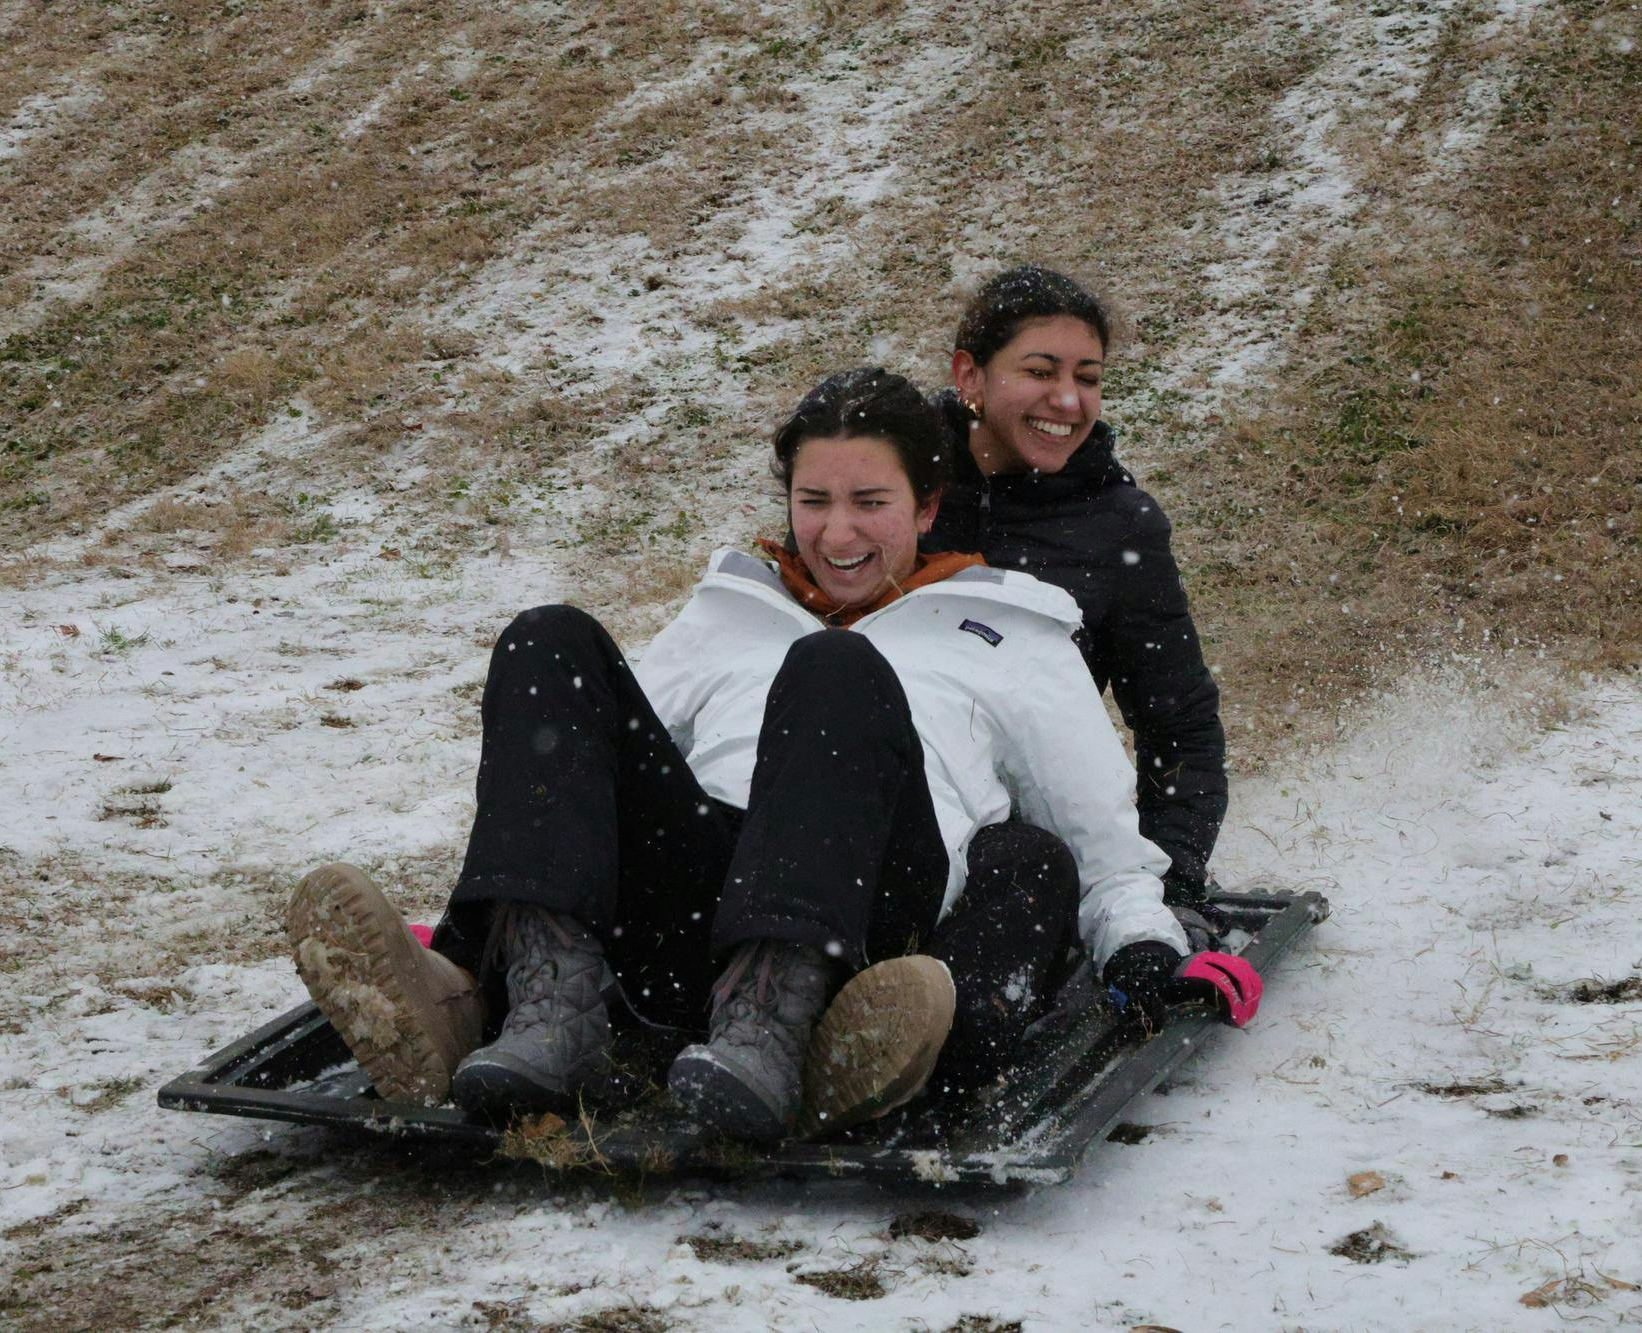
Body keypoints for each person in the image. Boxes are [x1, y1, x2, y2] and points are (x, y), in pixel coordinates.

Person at [285, 367, 1256, 1145]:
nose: (836, 532)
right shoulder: (729, 613)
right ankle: (538, 1003)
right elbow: (583, 778)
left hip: (875, 923)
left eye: (869, 501)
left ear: (925, 509)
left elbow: (1100, 845)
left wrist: (1145, 945)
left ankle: (786, 1029)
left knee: (833, 664)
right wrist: (480, 917)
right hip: (698, 915)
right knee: (550, 640)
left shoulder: (1005, 631)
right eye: (813, 499)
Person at [926, 266, 1229, 912]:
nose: (1068, 400)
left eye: (1086, 378)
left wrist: (1163, 887)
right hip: (887, 808)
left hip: (1019, 858)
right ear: (969, 376)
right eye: (1041, 371)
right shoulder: (895, 485)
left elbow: (1180, 730)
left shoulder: (1118, 527)